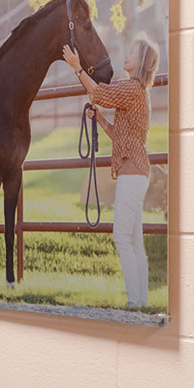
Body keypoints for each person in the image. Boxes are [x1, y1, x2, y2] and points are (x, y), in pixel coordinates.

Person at [63, 37, 160, 309]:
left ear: (139, 61)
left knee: (121, 238)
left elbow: (99, 95)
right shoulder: (137, 92)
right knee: (134, 240)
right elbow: (120, 135)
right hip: (137, 172)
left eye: (131, 52)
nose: (125, 54)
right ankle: (140, 300)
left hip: (133, 174)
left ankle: (134, 301)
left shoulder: (131, 88)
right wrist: (101, 119)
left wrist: (77, 67)